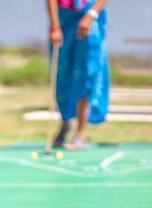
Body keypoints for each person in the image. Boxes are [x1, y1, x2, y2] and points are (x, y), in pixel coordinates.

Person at [46, 0, 110, 150]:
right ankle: (66, 121)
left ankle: (81, 132)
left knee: (86, 72)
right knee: (62, 72)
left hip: (90, 14)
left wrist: (91, 15)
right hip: (64, 17)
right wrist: (54, 25)